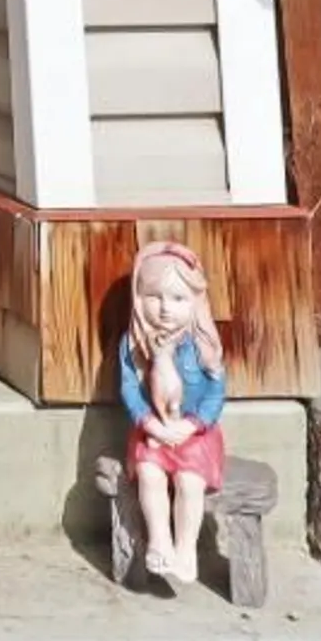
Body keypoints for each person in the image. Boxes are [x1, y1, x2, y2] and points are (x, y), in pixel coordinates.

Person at [117, 239, 228, 587]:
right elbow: (129, 389)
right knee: (150, 475)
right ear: (139, 298)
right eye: (155, 297)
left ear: (195, 301)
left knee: (189, 482)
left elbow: (216, 393)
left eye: (178, 299)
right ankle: (159, 541)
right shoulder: (134, 343)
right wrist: (147, 421)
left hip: (194, 437)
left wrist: (194, 425)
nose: (165, 309)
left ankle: (186, 549)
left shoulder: (202, 345)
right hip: (153, 433)